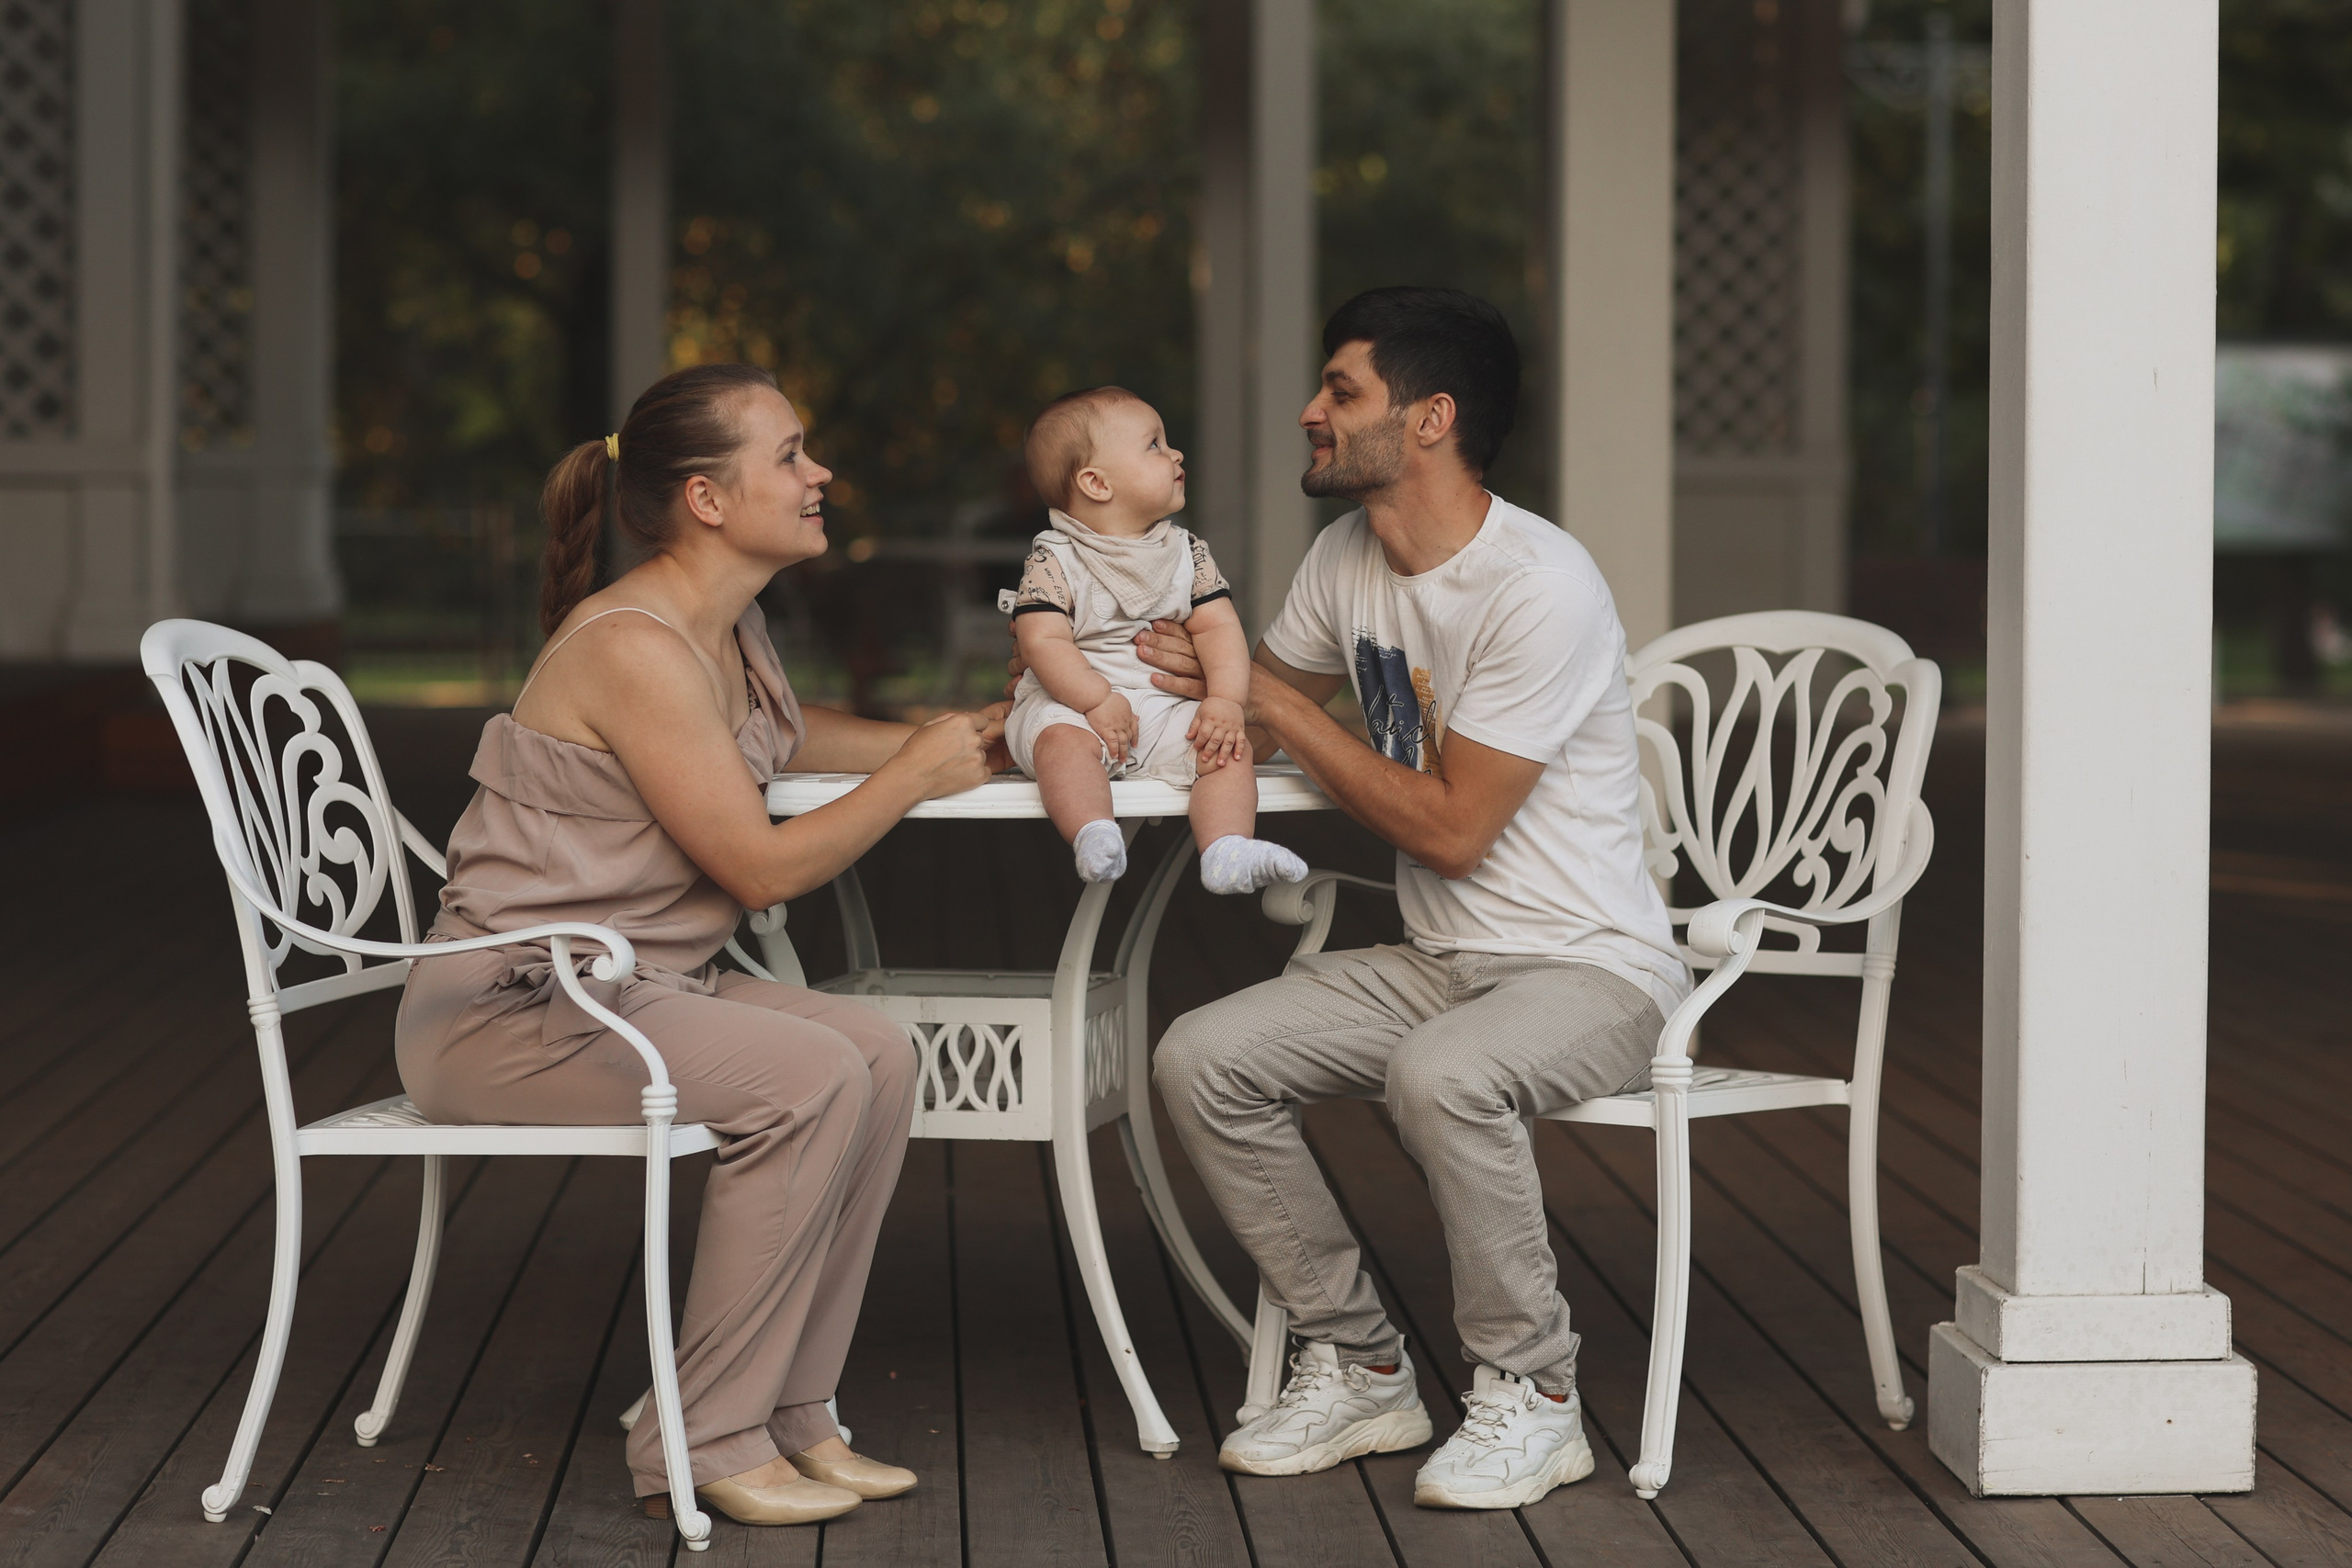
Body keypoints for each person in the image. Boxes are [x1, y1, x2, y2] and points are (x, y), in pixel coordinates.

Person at [396, 364, 1004, 1529]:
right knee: (808, 1077)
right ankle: (702, 1438)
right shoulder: (632, 644)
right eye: (790, 455)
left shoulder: (725, 626)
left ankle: (794, 1412)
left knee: (879, 1055)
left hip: (634, 990)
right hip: (507, 1014)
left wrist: (948, 736)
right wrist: (913, 777)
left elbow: (783, 736)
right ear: (707, 499)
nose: (820, 473)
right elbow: (759, 870)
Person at [1131, 288, 1692, 1509]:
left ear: (1429, 418)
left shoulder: (1539, 583)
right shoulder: (1346, 556)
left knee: (1444, 1073)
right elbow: (1250, 717)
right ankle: (1362, 1364)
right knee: (1201, 1056)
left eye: (1342, 391)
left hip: (1592, 965)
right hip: (1438, 962)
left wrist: (1273, 703)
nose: (1310, 410)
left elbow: (1451, 827)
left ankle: (1535, 1391)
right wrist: (1125, 689)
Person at [1006, 387, 1306, 893]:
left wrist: (1225, 700)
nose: (1176, 454)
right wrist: (1095, 699)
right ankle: (1093, 832)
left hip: (1162, 711)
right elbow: (1043, 642)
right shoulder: (1055, 558)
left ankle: (1226, 849)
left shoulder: (1187, 552)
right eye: (1154, 444)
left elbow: (1218, 628)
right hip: (1073, 705)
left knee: (1227, 750)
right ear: (1096, 483)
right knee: (1060, 744)